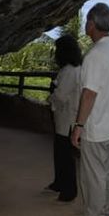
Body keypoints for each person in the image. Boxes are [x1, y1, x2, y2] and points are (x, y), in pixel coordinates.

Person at [66, 3, 109, 216]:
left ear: (91, 24)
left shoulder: (94, 55)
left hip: (97, 127)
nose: (85, 26)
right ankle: (107, 215)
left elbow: (89, 94)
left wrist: (79, 126)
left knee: (93, 178)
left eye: (86, 23)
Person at [44, 35, 82, 202]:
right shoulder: (76, 68)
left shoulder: (69, 71)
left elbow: (60, 96)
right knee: (60, 153)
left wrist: (52, 92)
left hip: (67, 119)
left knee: (65, 156)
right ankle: (59, 183)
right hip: (67, 117)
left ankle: (69, 190)